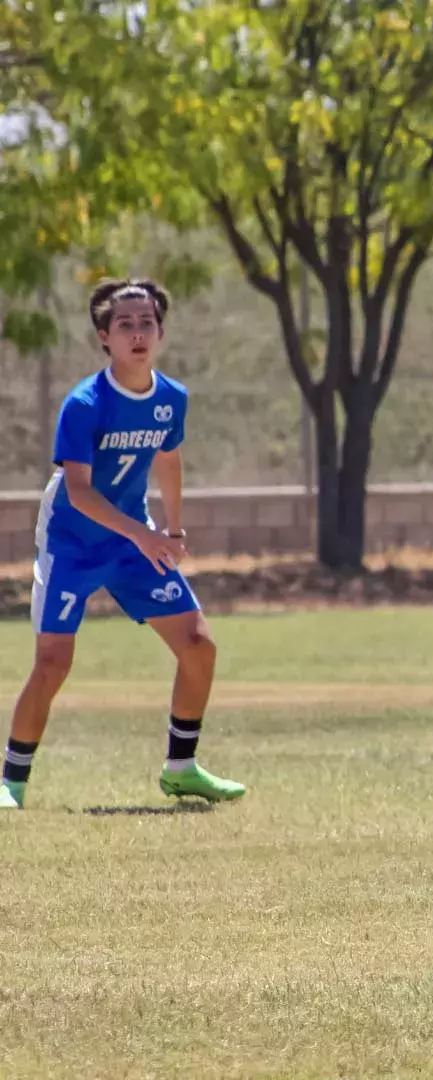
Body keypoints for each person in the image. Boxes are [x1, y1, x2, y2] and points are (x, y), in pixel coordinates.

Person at [7, 279, 246, 810]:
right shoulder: (85, 403)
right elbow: (79, 490)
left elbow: (168, 459)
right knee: (53, 662)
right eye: (125, 324)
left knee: (198, 645)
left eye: (147, 323)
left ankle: (181, 769)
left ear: (160, 332)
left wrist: (174, 530)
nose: (138, 333)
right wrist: (144, 534)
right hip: (72, 540)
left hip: (133, 540)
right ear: (104, 338)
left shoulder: (171, 398)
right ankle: (11, 782)